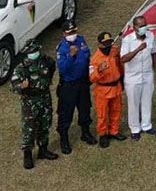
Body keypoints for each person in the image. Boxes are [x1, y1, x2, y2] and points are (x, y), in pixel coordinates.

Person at [10, 39, 59, 169]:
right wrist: (21, 86)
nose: (35, 53)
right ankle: (27, 155)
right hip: (30, 102)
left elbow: (51, 72)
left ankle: (43, 149)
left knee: (45, 124)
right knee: (30, 129)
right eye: (32, 51)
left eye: (36, 51)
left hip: (44, 98)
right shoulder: (21, 68)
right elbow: (13, 87)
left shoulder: (46, 61)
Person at [55, 19, 96, 153]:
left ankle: (85, 132)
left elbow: (87, 57)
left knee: (85, 108)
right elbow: (63, 69)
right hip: (69, 86)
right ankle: (64, 139)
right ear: (64, 34)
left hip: (83, 82)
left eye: (74, 31)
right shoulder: (62, 48)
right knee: (66, 113)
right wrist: (71, 56)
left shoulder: (81, 40)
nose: (73, 34)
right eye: (70, 32)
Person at [120, 15, 156, 139]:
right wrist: (138, 49)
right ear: (135, 27)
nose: (144, 28)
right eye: (141, 26)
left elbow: (154, 53)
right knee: (133, 103)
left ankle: (146, 125)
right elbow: (123, 58)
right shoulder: (127, 40)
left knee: (147, 100)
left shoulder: (151, 36)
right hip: (133, 77)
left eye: (145, 25)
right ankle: (135, 128)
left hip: (147, 74)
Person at [88, 31, 125, 147]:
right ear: (99, 44)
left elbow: (119, 64)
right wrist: (99, 70)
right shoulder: (95, 59)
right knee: (102, 114)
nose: (108, 47)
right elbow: (91, 77)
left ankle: (114, 131)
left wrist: (122, 79)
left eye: (109, 43)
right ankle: (103, 134)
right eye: (105, 45)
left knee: (116, 110)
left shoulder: (114, 50)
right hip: (103, 90)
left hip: (116, 87)